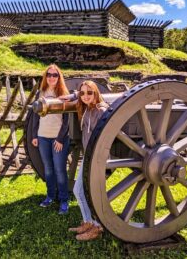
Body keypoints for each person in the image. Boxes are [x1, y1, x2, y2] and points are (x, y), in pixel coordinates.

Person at [68, 80, 108, 241]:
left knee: (93, 193)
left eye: (89, 93)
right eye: (82, 93)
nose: (85, 96)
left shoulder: (101, 111)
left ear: (96, 93)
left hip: (97, 158)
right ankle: (88, 221)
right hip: (88, 156)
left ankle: (97, 227)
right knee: (79, 191)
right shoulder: (86, 109)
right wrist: (68, 96)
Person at [32, 64, 70, 214]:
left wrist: (60, 139)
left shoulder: (64, 93)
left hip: (57, 138)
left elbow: (66, 120)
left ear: (59, 77)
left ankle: (64, 200)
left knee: (60, 170)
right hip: (43, 137)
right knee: (48, 170)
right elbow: (36, 116)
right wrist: (35, 135)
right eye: (49, 74)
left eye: (55, 75)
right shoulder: (41, 93)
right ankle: (50, 196)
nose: (52, 77)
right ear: (45, 77)